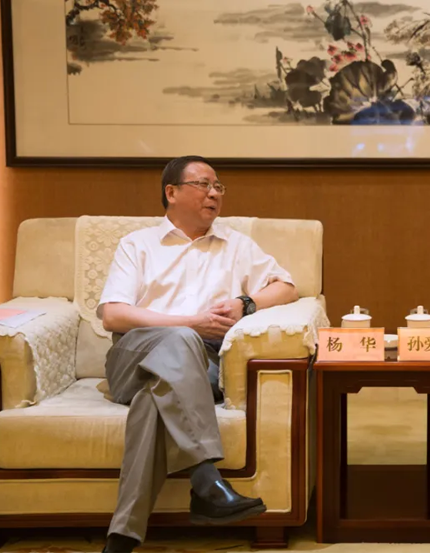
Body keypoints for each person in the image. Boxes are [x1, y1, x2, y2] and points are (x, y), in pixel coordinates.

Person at [97, 155, 299, 553]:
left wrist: (246, 303)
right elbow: (113, 315)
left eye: (218, 186)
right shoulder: (137, 245)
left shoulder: (235, 245)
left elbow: (288, 287)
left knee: (153, 401)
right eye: (203, 184)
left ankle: (121, 537)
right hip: (133, 354)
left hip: (202, 366)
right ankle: (206, 481)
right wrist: (190, 323)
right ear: (171, 192)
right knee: (181, 340)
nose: (214, 193)